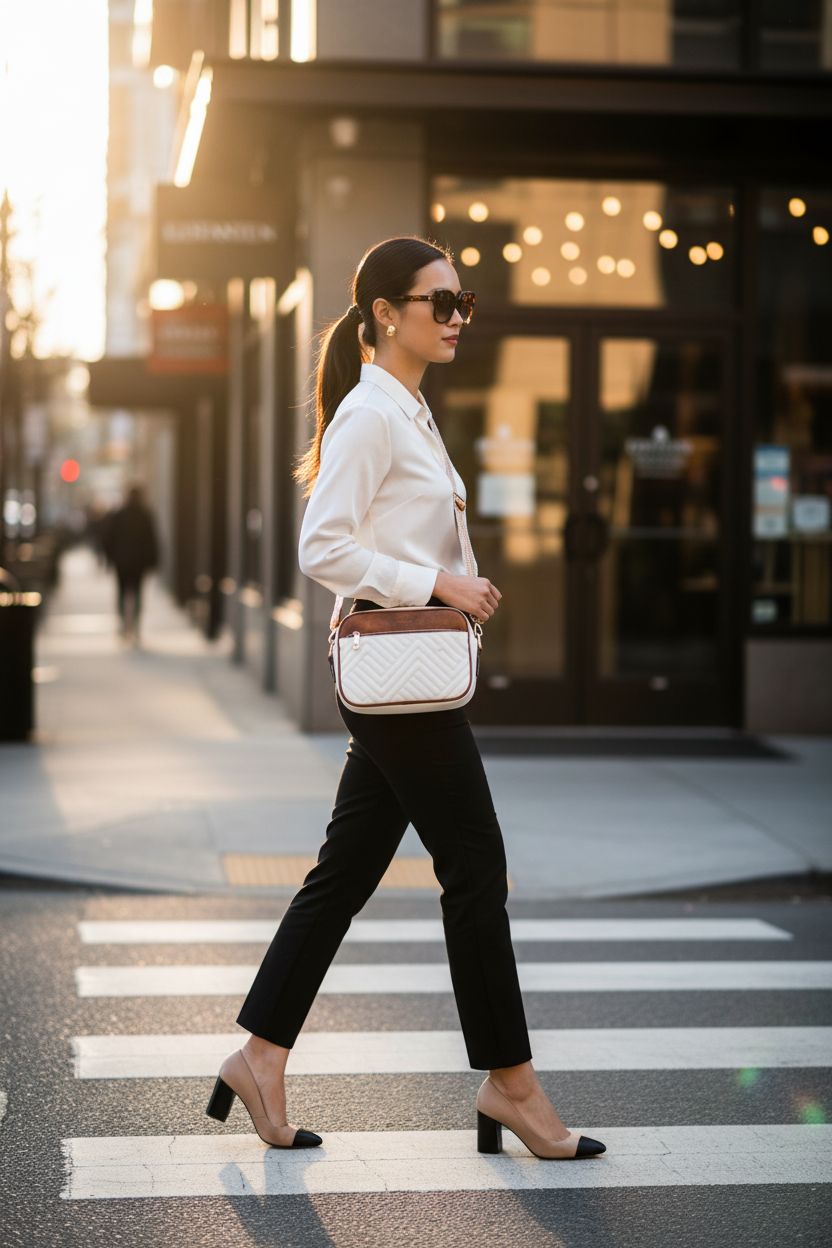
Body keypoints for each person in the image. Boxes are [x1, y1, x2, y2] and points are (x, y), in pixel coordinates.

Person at [206, 235, 606, 1162]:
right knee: (476, 869)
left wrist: (450, 586)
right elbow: (323, 548)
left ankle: (259, 1055)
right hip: (402, 685)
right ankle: (512, 1086)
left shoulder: (409, 410)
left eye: (463, 301)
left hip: (407, 684)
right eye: (441, 303)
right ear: (387, 313)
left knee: (343, 876)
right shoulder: (370, 415)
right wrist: (436, 583)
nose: (458, 316)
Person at [102, 483, 159, 645]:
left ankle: (123, 624)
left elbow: (108, 539)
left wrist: (109, 559)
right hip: (139, 563)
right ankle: (134, 625)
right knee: (138, 593)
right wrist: (153, 562)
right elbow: (152, 541)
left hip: (122, 562)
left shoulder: (119, 515)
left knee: (121, 592)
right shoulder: (145, 515)